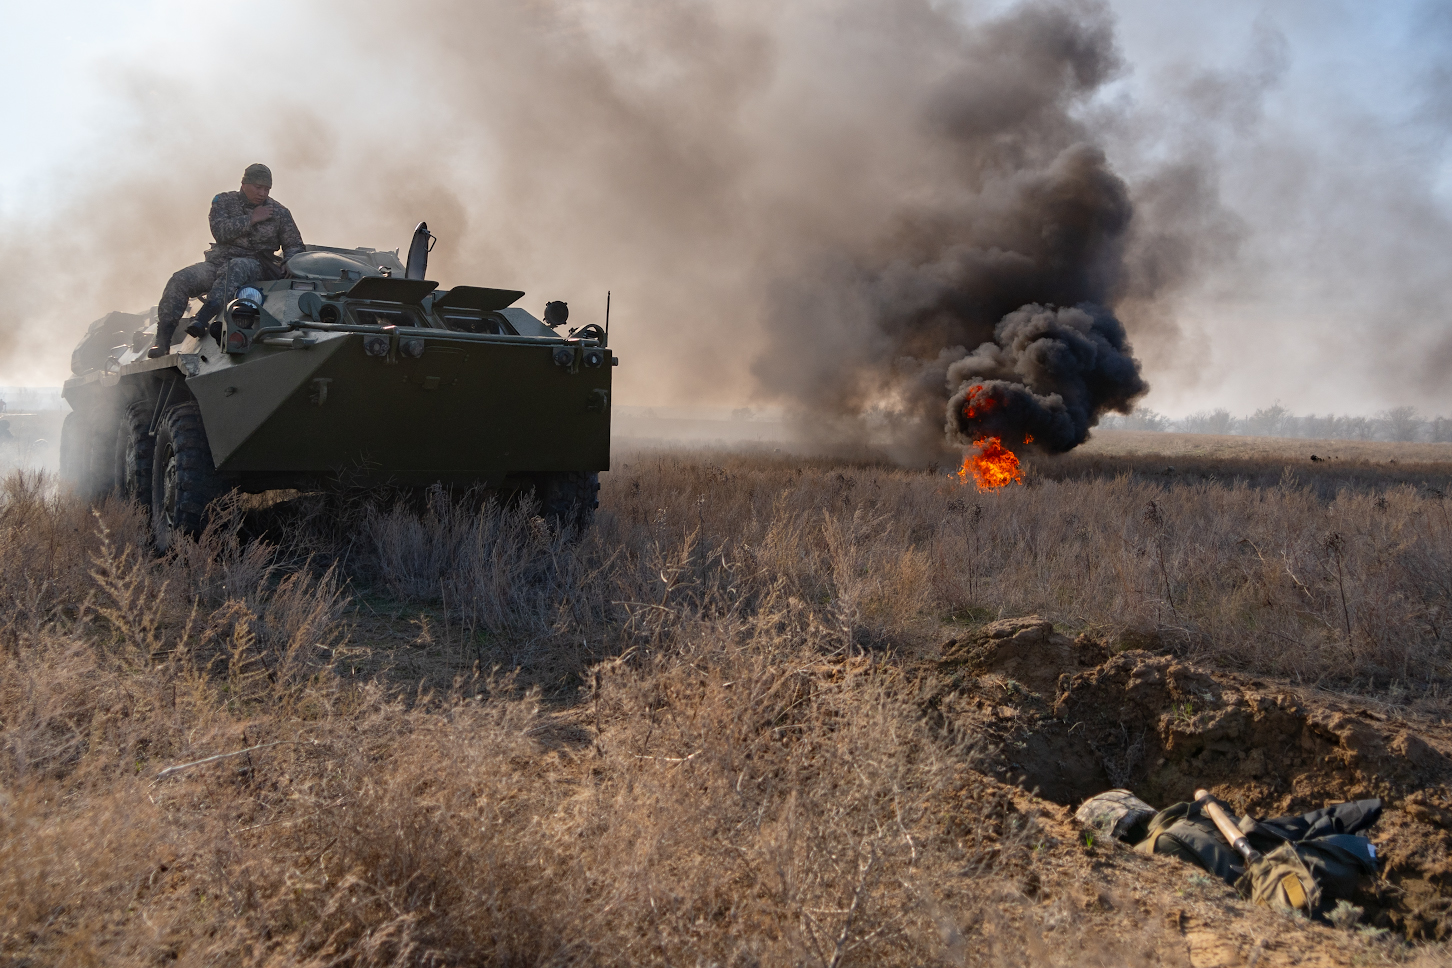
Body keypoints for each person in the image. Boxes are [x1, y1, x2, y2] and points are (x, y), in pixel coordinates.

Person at [150, 163, 305, 356]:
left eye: (267, 189)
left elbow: (295, 245)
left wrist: (289, 260)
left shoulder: (280, 212)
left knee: (236, 267)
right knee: (180, 279)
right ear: (244, 184)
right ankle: (162, 341)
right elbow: (219, 232)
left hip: (255, 265)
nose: (262, 193)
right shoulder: (223, 201)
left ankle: (203, 317)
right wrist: (252, 219)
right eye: (258, 187)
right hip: (217, 263)